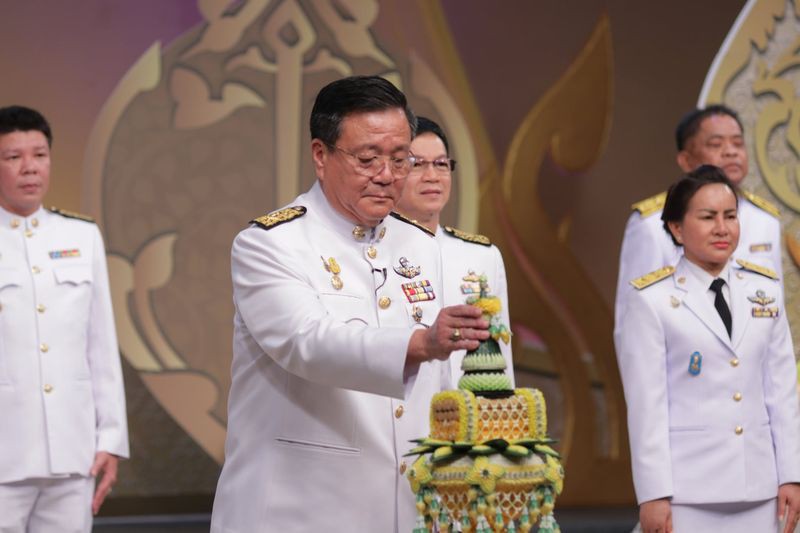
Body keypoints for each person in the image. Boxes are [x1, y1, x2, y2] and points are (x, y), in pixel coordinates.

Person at [209, 76, 489, 533]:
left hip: (408, 510)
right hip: (299, 511)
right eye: (368, 159)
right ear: (321, 156)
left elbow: (443, 385)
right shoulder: (271, 244)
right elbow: (307, 343)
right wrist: (419, 343)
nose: (387, 175)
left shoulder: (423, 246)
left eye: (400, 159)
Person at [617, 165, 800, 532]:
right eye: (707, 217)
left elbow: (782, 393)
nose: (722, 228)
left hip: (763, 486)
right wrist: (653, 494)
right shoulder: (652, 299)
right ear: (676, 228)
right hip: (687, 492)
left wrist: (792, 476)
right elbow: (647, 407)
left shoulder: (764, 290)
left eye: (730, 216)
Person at [0, 106, 128, 532]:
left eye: (39, 155)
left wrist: (110, 438)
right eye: (13, 157)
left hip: (72, 453)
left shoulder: (80, 235)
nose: (30, 168)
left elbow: (100, 346)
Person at [615, 105, 782, 334]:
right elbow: (633, 319)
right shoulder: (652, 223)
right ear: (686, 160)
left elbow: (773, 309)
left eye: (737, 143)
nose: (730, 152)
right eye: (716, 144)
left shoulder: (765, 220)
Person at [395, 116, 513, 386]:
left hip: (468, 403)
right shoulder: (373, 251)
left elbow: (500, 352)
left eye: (441, 164)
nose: (432, 176)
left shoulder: (482, 256)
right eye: (417, 164)